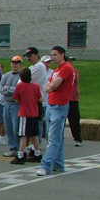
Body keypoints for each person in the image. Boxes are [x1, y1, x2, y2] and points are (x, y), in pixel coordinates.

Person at [37, 46, 75, 176]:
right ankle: (58, 164)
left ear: (62, 55)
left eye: (55, 55)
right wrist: (50, 87)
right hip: (51, 105)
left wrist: (50, 87)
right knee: (53, 137)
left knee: (53, 138)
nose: (53, 57)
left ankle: (45, 165)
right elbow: (48, 85)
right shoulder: (56, 70)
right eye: (51, 55)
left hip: (59, 106)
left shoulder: (66, 68)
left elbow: (54, 85)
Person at [11, 68, 43, 165]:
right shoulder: (36, 86)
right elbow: (41, 99)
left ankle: (21, 155)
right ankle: (37, 153)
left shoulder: (20, 86)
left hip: (24, 113)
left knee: (23, 135)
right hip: (34, 113)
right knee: (34, 134)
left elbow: (16, 100)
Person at [0, 56, 23, 157]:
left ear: (20, 64)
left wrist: (8, 88)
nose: (14, 64)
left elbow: (20, 89)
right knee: (8, 127)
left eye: (17, 63)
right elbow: (1, 89)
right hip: (6, 104)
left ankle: (18, 148)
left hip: (16, 105)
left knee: (16, 127)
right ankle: (12, 148)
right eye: (12, 62)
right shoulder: (6, 75)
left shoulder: (21, 76)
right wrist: (11, 89)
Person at [24, 47, 48, 145]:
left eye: (30, 56)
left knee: (35, 127)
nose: (29, 58)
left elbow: (26, 82)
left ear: (37, 55)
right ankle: (32, 147)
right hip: (31, 100)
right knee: (31, 127)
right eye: (27, 56)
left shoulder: (39, 66)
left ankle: (35, 148)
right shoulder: (31, 67)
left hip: (37, 100)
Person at [66, 56, 82, 146]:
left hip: (73, 99)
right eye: (69, 61)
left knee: (74, 120)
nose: (71, 63)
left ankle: (77, 138)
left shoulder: (74, 71)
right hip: (64, 99)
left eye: (72, 61)